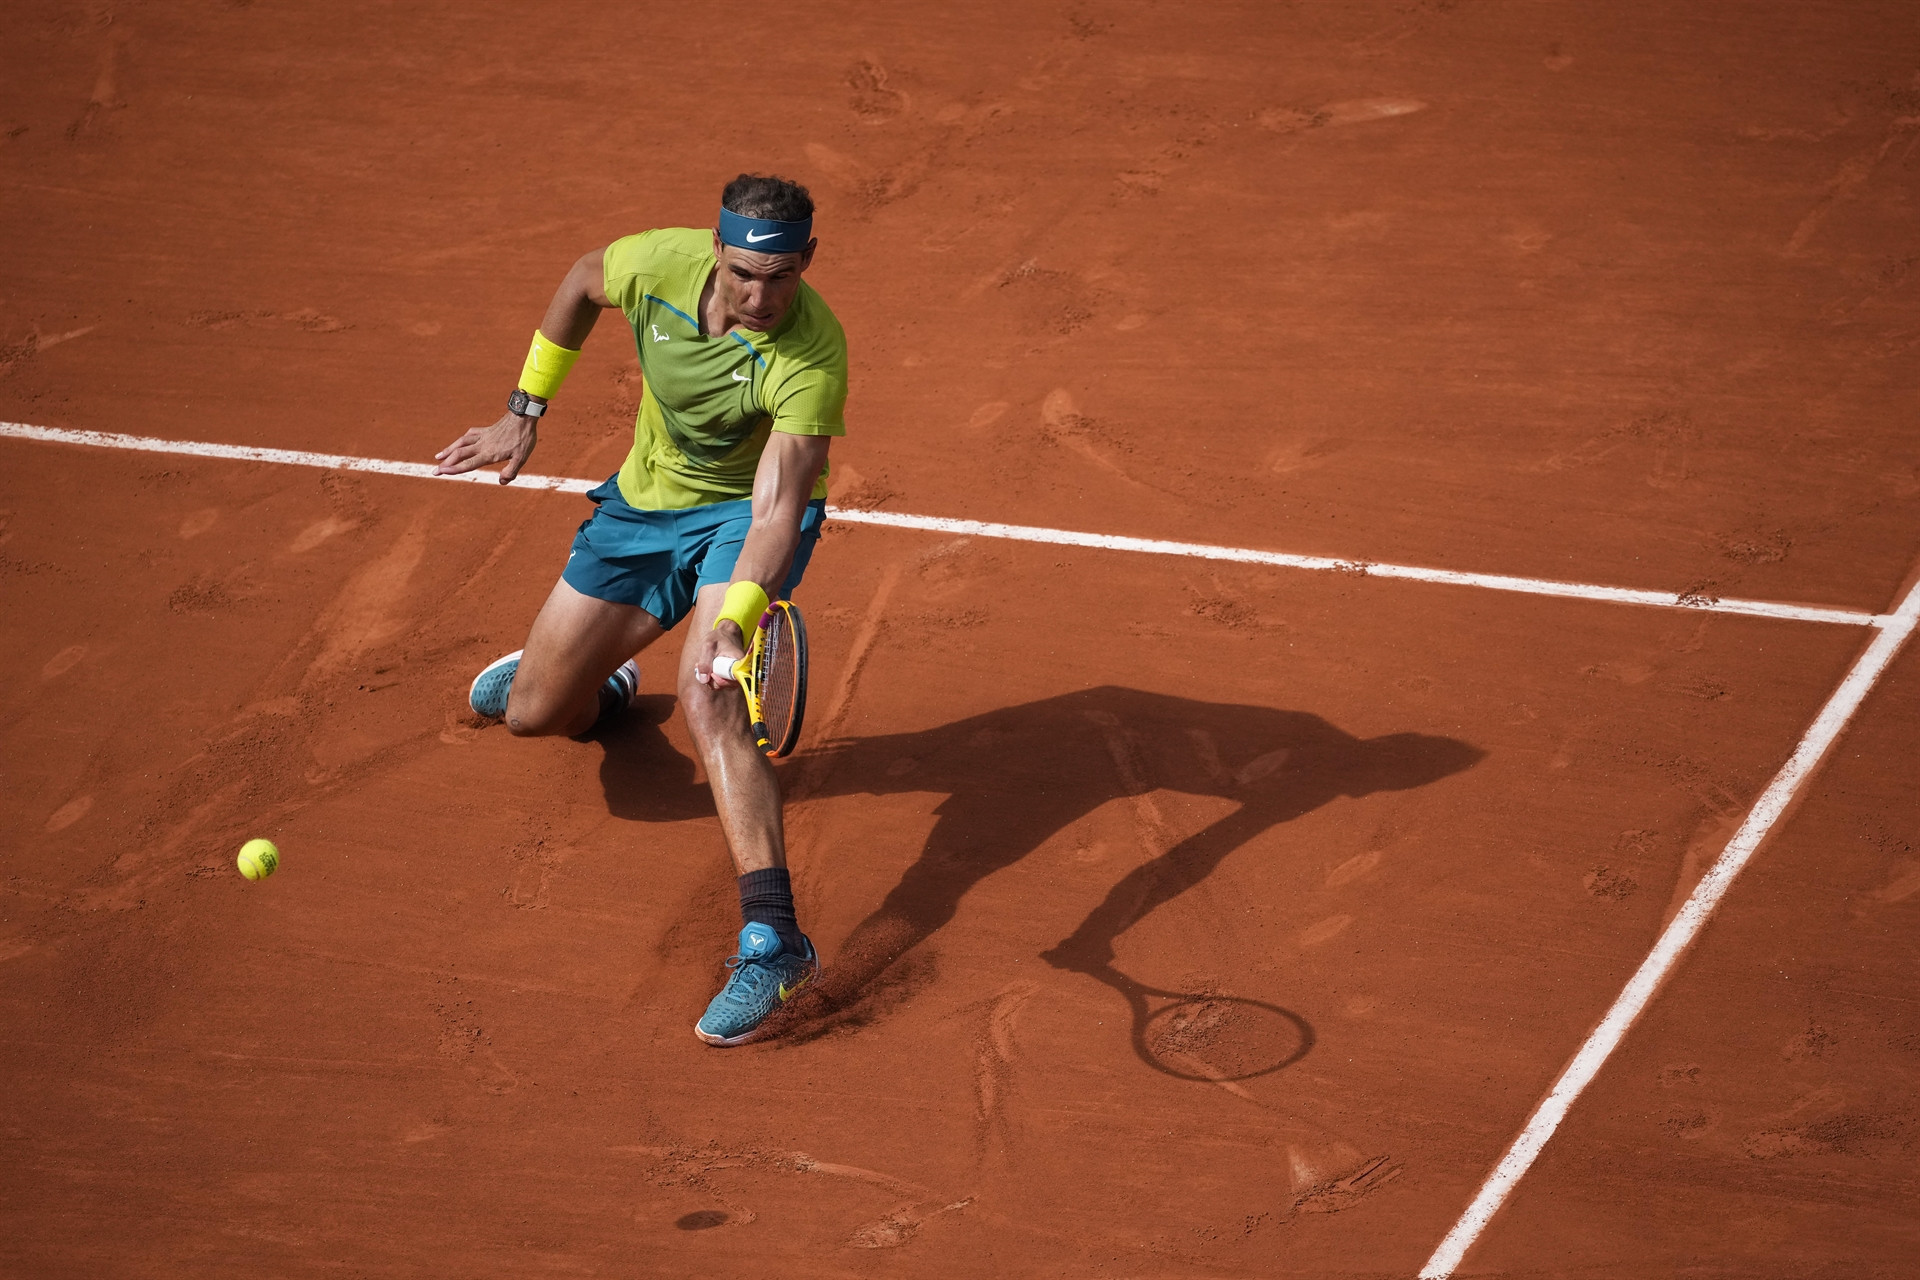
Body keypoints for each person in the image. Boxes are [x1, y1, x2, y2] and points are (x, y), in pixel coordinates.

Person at [432, 174, 846, 1047]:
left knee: (710, 695)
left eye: (780, 277)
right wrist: (523, 411)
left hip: (742, 520)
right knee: (533, 714)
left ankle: (775, 945)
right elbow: (583, 280)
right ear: (715, 250)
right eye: (743, 275)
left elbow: (777, 508)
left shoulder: (813, 355)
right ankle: (605, 685)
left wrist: (735, 616)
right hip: (645, 502)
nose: (760, 297)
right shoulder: (656, 265)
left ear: (807, 261)